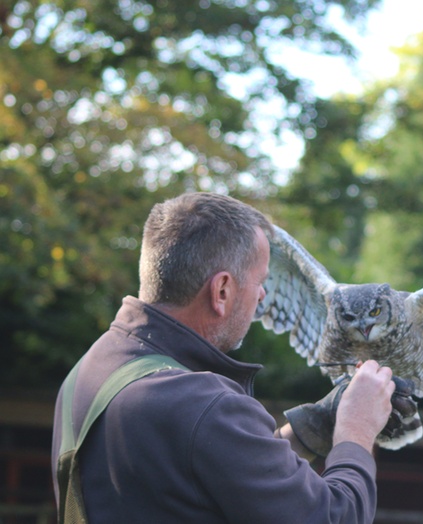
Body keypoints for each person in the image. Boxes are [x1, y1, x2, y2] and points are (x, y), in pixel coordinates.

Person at [50, 192, 396, 523]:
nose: (262, 296)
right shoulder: (203, 405)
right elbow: (333, 517)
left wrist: (315, 424)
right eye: (260, 281)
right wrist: (357, 429)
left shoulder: (90, 373)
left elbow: (204, 468)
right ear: (222, 290)